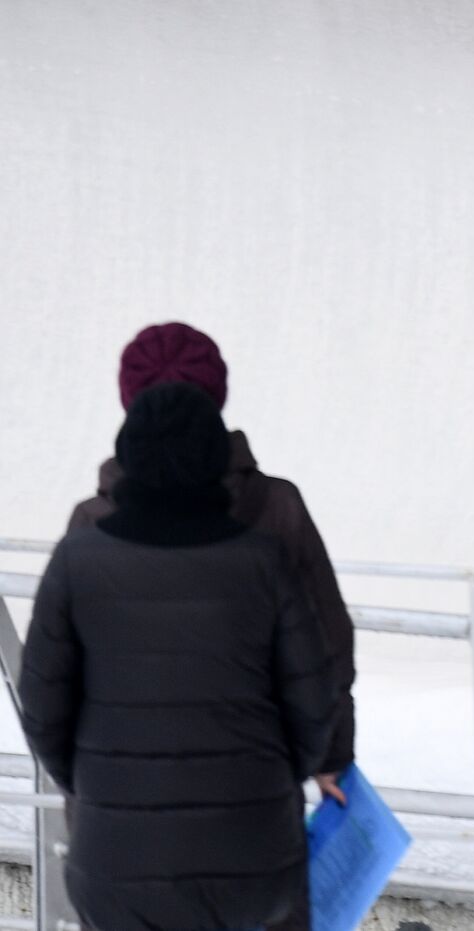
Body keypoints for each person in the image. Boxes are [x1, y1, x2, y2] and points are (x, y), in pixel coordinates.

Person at [67, 322, 356, 931]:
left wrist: (87, 776)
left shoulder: (91, 525)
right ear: (217, 398)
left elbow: (50, 686)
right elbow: (326, 649)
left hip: (117, 833)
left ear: (129, 405)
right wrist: (323, 757)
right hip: (254, 820)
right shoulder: (276, 508)